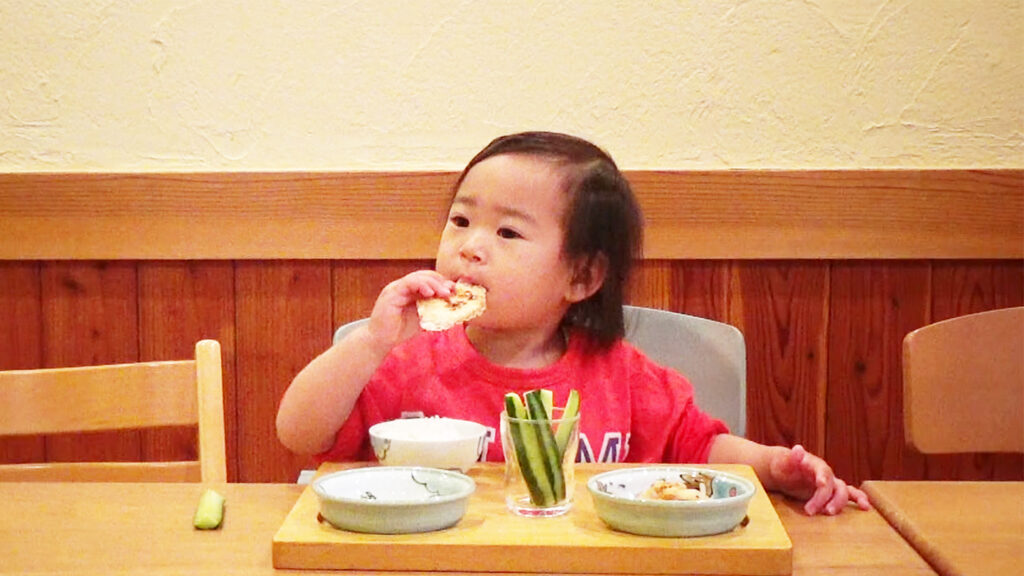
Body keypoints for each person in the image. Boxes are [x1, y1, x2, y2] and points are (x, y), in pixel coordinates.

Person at [276, 131, 871, 516]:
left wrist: (772, 466)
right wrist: (369, 344)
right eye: (460, 221)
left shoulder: (621, 375)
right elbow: (297, 433)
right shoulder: (402, 363)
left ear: (581, 279)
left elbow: (700, 445)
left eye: (507, 232)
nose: (471, 248)